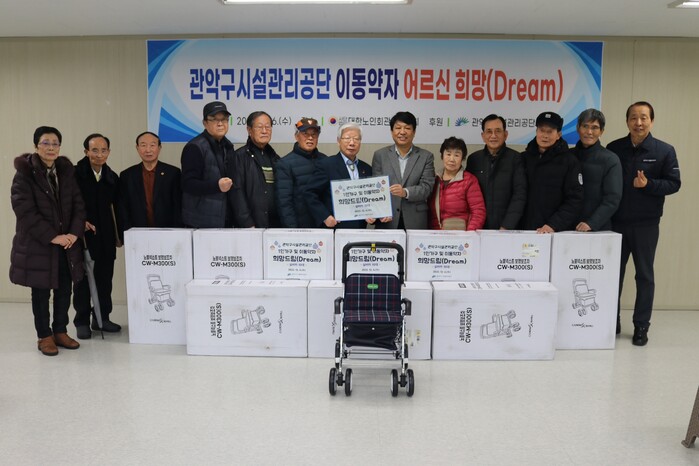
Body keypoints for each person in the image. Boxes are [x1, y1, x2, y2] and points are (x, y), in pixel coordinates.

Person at [608, 101, 681, 346]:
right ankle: (612, 320)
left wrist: (648, 185)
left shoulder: (664, 150)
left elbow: (674, 183)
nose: (638, 123)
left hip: (646, 225)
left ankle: (641, 326)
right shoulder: (614, 148)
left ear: (651, 120)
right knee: (613, 275)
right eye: (633, 118)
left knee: (645, 276)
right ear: (627, 121)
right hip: (616, 223)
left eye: (643, 117)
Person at [10, 126, 85, 355]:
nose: (51, 147)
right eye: (45, 143)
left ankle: (60, 331)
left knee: (64, 288)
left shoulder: (66, 172)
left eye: (55, 143)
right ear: (36, 146)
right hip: (39, 244)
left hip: (67, 244)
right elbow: (25, 211)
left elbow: (78, 205)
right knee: (41, 292)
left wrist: (73, 234)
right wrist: (53, 236)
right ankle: (44, 336)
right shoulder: (25, 174)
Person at [72, 133, 123, 338]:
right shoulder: (74, 175)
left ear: (109, 152)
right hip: (83, 237)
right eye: (94, 150)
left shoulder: (112, 177)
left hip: (106, 237)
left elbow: (118, 209)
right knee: (82, 282)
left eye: (103, 150)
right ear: (86, 152)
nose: (99, 154)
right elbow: (67, 205)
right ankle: (82, 321)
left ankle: (102, 319)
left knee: (104, 280)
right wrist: (78, 222)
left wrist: (119, 235)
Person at [520, 111, 583, 233]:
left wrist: (553, 225)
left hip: (554, 231)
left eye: (550, 132)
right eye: (542, 130)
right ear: (536, 131)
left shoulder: (569, 161)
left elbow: (574, 199)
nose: (545, 135)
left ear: (558, 135)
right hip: (524, 230)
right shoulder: (523, 158)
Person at [372, 111, 435, 229]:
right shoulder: (380, 155)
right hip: (387, 219)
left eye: (407, 128)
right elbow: (376, 189)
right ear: (392, 131)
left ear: (414, 132)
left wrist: (405, 192)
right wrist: (379, 212)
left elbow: (427, 188)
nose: (402, 132)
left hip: (415, 220)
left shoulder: (426, 156)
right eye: (398, 128)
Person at [305, 123, 373, 229]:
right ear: (338, 141)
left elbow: (370, 198)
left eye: (356, 139)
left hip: (360, 230)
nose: (352, 143)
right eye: (347, 138)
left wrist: (373, 215)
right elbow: (310, 193)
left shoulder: (367, 169)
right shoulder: (326, 165)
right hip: (335, 228)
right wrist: (325, 217)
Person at [465, 114, 526, 230]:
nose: (493, 136)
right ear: (483, 136)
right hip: (478, 227)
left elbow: (520, 195)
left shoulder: (516, 158)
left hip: (507, 228)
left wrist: (507, 225)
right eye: (489, 131)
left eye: (498, 131)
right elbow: (467, 195)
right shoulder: (474, 159)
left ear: (505, 134)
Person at [181, 101, 235, 228]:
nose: (220, 123)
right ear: (205, 123)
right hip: (200, 222)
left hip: (224, 219)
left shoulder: (228, 146)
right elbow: (187, 184)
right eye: (215, 119)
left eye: (224, 119)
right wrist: (216, 186)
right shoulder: (195, 147)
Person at [119, 131, 182, 230]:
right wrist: (127, 230)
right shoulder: (127, 175)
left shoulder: (173, 173)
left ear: (159, 148)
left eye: (152, 145)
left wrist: (176, 230)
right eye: (143, 145)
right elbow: (123, 208)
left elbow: (178, 206)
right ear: (137, 148)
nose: (148, 150)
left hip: (167, 230)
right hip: (137, 231)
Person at [573, 109, 622, 232]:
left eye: (594, 127)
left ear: (602, 131)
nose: (589, 132)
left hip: (597, 228)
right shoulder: (568, 156)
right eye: (585, 126)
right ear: (578, 128)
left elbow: (612, 199)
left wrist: (592, 223)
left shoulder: (610, 159)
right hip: (566, 225)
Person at [229, 111, 281, 228]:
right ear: (249, 130)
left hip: (275, 225)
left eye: (268, 127)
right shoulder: (239, 157)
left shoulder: (275, 158)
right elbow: (236, 193)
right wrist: (247, 223)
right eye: (259, 127)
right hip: (250, 227)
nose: (264, 131)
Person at [275, 117, 328, 228]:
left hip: (325, 226)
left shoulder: (325, 161)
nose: (310, 138)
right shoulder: (285, 164)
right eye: (305, 134)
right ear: (296, 136)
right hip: (299, 228)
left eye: (314, 134)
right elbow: (284, 203)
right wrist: (293, 230)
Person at [429, 137, 486, 231]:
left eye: (456, 155)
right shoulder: (434, 179)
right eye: (448, 154)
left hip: (461, 235)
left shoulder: (469, 180)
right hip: (436, 235)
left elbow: (478, 212)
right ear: (442, 156)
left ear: (462, 158)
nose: (451, 159)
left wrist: (468, 235)